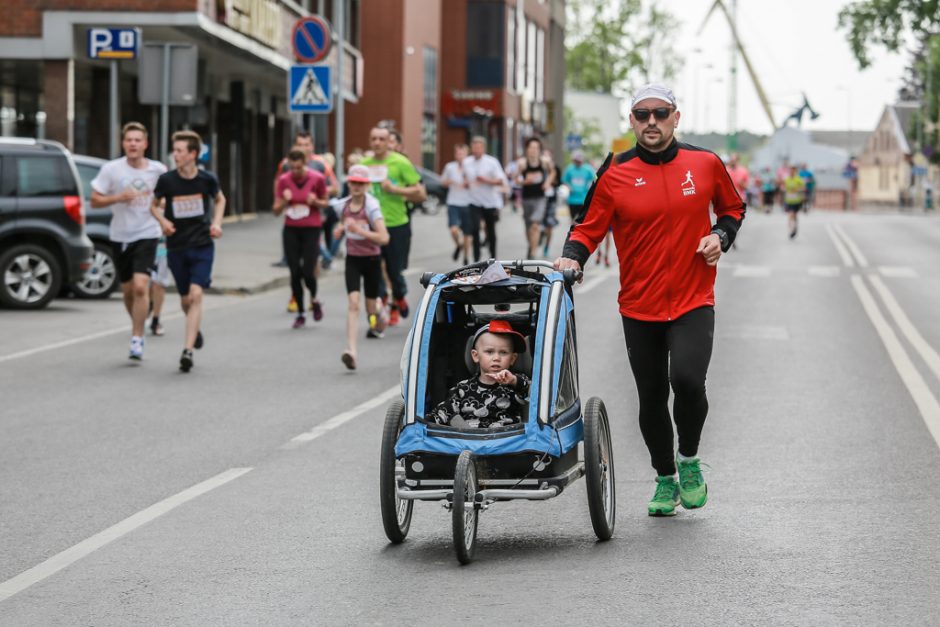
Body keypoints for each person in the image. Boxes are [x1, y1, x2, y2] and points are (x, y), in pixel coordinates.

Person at [554, 83, 745, 517]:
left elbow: (733, 209)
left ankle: (689, 460)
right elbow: (587, 227)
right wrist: (570, 258)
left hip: (694, 298)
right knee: (652, 396)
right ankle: (664, 478)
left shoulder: (705, 163)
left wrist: (720, 236)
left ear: (677, 117)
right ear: (632, 122)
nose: (652, 121)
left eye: (661, 113)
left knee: (689, 381)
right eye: (643, 114)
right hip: (639, 304)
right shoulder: (615, 172)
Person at [90, 121, 167, 361]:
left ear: (145, 144)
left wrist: (162, 206)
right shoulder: (112, 169)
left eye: (137, 140)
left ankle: (137, 339)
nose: (133, 144)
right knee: (127, 291)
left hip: (148, 232)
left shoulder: (158, 170)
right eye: (128, 140)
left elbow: (167, 198)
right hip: (120, 235)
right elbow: (94, 200)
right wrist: (119, 197)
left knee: (141, 286)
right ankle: (138, 320)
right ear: (123, 143)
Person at [151, 130, 226, 373]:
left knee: (196, 295)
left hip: (202, 245)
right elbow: (152, 206)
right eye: (175, 150)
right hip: (176, 247)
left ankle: (187, 351)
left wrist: (217, 223)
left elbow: (220, 199)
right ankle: (195, 330)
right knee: (185, 299)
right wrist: (163, 222)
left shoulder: (206, 179)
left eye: (180, 151)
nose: (176, 155)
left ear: (192, 154)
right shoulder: (167, 181)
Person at [361, 126, 425, 326]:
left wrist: (394, 189)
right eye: (374, 139)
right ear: (370, 141)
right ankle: (384, 299)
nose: (378, 143)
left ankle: (399, 295)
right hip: (371, 226)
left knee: (394, 269)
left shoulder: (400, 163)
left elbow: (421, 194)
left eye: (382, 139)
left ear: (388, 141)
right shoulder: (364, 165)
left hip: (397, 224)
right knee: (375, 268)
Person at [331, 164, 390, 370]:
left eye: (360, 183)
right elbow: (341, 224)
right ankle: (351, 351)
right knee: (353, 303)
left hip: (372, 261)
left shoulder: (371, 207)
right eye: (353, 182)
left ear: (366, 186)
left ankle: (380, 311)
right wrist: (339, 230)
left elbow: (384, 237)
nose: (356, 186)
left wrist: (361, 231)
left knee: (370, 311)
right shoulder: (343, 206)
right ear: (349, 183)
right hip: (353, 260)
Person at [431, 321, 531, 429]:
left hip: (507, 440)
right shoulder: (462, 388)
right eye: (489, 352)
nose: (496, 358)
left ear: (512, 359)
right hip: (471, 441)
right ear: (475, 356)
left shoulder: (516, 385)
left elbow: (531, 392)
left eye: (503, 352)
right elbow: (442, 413)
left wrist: (514, 381)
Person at [273, 149, 330, 328]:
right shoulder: (283, 181)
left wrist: (315, 201)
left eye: (299, 167)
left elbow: (326, 202)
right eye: (292, 167)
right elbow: (275, 210)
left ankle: (314, 299)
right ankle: (300, 312)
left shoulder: (317, 178)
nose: (295, 171)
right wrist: (284, 200)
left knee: (308, 271)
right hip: (291, 230)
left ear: (305, 163)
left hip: (311, 229)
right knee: (294, 273)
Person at [462, 136, 507, 261]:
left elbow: (500, 181)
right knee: (475, 228)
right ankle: (476, 258)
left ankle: (493, 256)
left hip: (490, 202)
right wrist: (465, 182)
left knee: (490, 229)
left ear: (483, 148)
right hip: (473, 201)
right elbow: (465, 177)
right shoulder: (467, 162)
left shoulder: (492, 162)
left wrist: (486, 180)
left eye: (479, 147)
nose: (476, 150)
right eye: (474, 147)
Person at [515, 137, 554, 258]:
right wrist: (524, 182)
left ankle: (533, 253)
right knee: (528, 226)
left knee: (535, 225)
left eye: (536, 148)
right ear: (527, 149)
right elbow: (516, 180)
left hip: (540, 198)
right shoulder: (522, 163)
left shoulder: (544, 162)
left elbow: (553, 172)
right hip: (527, 198)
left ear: (539, 149)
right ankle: (531, 245)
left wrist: (548, 182)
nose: (533, 150)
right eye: (531, 147)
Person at [441, 143, 472, 265]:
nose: (459, 156)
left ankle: (466, 257)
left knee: (467, 233)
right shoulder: (450, 167)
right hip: (453, 202)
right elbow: (442, 182)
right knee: (454, 230)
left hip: (467, 202)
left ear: (466, 154)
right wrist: (449, 181)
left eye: (462, 153)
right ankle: (459, 245)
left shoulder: (470, 167)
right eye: (457, 153)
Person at [541, 150, 563, 257]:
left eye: (548, 156)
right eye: (544, 155)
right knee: (537, 224)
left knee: (549, 225)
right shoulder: (538, 168)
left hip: (551, 200)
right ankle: (539, 237)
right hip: (539, 199)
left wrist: (550, 181)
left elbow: (559, 183)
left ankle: (546, 246)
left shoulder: (555, 169)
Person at [148, 236, 170, 336]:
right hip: (144, 243)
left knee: (159, 282)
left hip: (161, 245)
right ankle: (150, 303)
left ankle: (155, 320)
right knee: (146, 283)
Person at [782, 165, 806, 239]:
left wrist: (797, 189)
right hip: (788, 200)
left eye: (793, 170)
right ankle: (792, 229)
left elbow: (803, 188)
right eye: (790, 170)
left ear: (795, 171)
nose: (791, 172)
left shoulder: (798, 179)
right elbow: (783, 187)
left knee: (794, 215)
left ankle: (794, 227)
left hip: (796, 200)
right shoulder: (787, 179)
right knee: (790, 215)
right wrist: (784, 189)